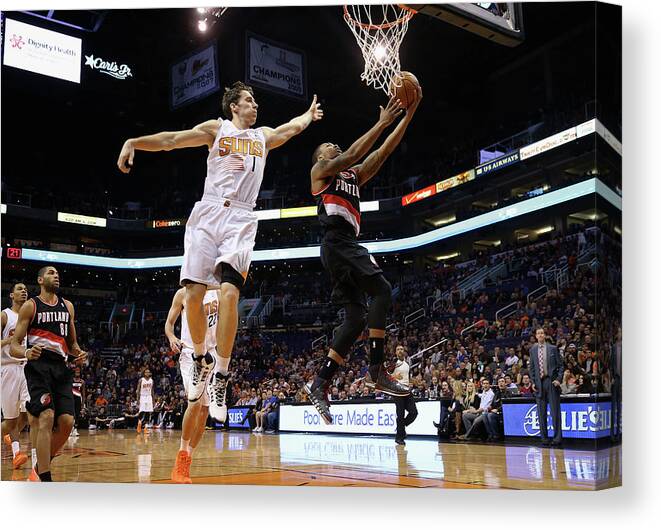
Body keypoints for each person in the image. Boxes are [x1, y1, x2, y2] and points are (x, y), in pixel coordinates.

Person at [117, 82, 323, 424]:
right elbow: (171, 140)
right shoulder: (217, 129)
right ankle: (201, 359)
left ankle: (222, 375)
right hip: (208, 213)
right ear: (234, 107)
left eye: (255, 100)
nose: (255, 105)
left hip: (241, 216)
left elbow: (292, 128)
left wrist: (309, 115)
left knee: (229, 294)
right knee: (193, 294)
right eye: (249, 100)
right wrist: (134, 142)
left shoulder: (263, 137)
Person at [304, 88, 422, 423]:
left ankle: (319, 383)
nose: (335, 148)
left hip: (342, 249)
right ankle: (375, 370)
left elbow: (383, 152)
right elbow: (352, 152)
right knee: (382, 290)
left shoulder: (353, 177)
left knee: (355, 319)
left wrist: (407, 115)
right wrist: (381, 122)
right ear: (319, 158)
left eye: (335, 146)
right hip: (338, 242)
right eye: (329, 147)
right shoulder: (322, 173)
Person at [10, 266, 87, 481]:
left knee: (67, 423)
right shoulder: (30, 306)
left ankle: (39, 466)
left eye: (57, 273)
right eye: (51, 273)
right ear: (41, 280)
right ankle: (45, 477)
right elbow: (14, 345)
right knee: (46, 416)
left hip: (61, 368)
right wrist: (26, 352)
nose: (56, 275)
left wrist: (79, 353)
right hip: (38, 366)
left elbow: (72, 343)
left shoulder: (67, 307)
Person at [164, 287, 219, 483]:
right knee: (194, 403)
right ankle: (181, 454)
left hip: (212, 355)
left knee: (205, 410)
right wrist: (171, 337)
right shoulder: (183, 293)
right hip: (190, 355)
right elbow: (169, 323)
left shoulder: (219, 292)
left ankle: (188, 458)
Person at [1, 282, 31, 470]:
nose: (24, 291)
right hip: (8, 368)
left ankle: (16, 450)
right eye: (19, 289)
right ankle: (16, 451)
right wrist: (11, 340)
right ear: (11, 295)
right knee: (11, 420)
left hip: (27, 367)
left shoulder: (29, 317)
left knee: (28, 413)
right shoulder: (5, 315)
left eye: (25, 289)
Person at [528, 327, 563, 447]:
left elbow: (561, 366)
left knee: (555, 412)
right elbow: (532, 368)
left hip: (551, 382)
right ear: (536, 336)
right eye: (538, 333)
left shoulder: (553, 348)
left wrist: (558, 379)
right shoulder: (533, 350)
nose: (540, 335)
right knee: (541, 413)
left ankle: (557, 438)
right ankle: (544, 439)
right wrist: (532, 382)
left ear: (545, 335)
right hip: (539, 384)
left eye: (542, 333)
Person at [391, 345, 418, 445]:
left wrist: (414, 381)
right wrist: (394, 376)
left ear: (404, 351)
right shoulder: (393, 364)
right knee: (400, 415)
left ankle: (401, 428)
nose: (400, 351)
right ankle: (399, 437)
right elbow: (384, 376)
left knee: (414, 412)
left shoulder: (407, 364)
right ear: (395, 352)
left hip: (407, 390)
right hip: (397, 391)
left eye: (401, 349)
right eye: (398, 349)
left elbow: (408, 377)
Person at [485, 377, 509, 441]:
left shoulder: (508, 392)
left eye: (502, 381)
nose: (501, 383)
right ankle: (490, 434)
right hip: (496, 412)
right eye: (499, 382)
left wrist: (497, 410)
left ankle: (496, 435)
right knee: (485, 415)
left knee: (490, 415)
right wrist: (490, 407)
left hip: (504, 413)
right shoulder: (497, 393)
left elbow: (506, 404)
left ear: (505, 383)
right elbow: (492, 404)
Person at [136, 368, 155, 433]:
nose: (147, 373)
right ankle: (139, 423)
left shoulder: (151, 380)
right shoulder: (141, 380)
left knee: (148, 412)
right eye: (146, 372)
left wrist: (153, 400)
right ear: (144, 373)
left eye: (148, 372)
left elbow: (152, 391)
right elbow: (138, 390)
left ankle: (146, 427)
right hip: (143, 396)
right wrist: (137, 399)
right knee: (142, 411)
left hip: (149, 396)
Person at [71, 366, 86, 437]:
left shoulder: (82, 382)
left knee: (77, 415)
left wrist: (83, 404)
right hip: (71, 399)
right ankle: (71, 429)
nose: (77, 372)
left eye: (78, 372)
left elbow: (83, 394)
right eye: (76, 371)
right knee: (71, 414)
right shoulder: (70, 380)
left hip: (78, 400)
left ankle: (75, 429)